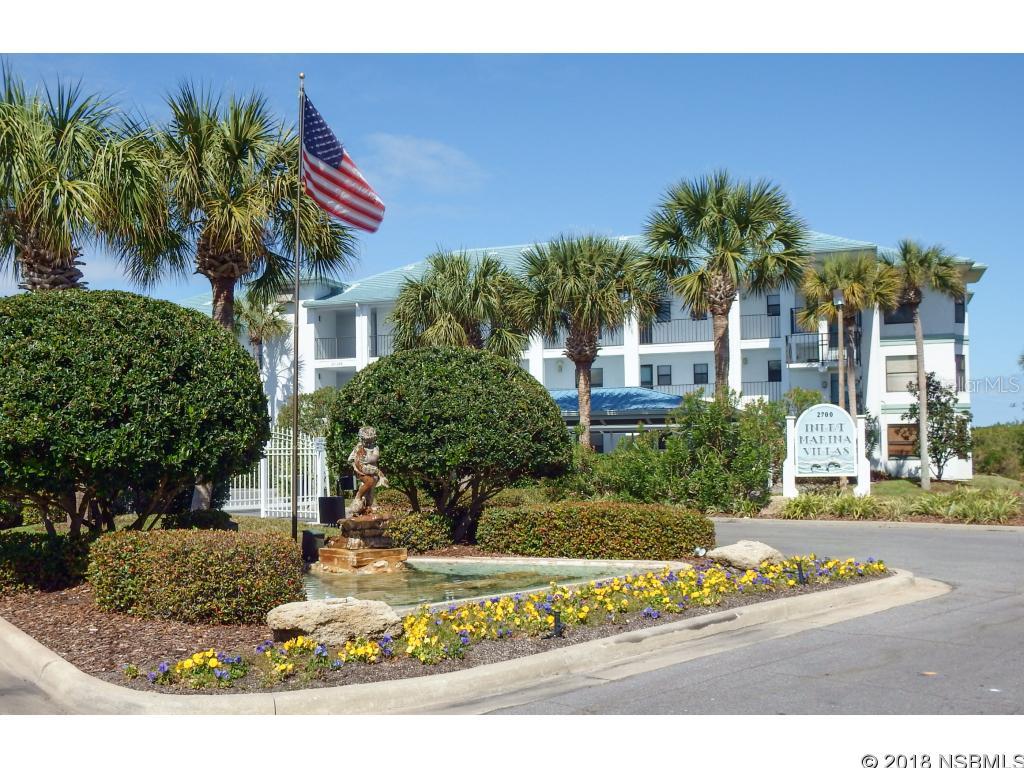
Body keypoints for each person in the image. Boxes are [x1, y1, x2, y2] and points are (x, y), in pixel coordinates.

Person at [347, 426, 388, 515]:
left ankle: (367, 508)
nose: (367, 442)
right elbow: (350, 459)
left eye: (369, 440)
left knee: (371, 492)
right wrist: (354, 466)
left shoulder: (375, 447)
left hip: (373, 473)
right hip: (362, 473)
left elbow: (376, 457)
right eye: (365, 440)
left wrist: (368, 459)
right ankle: (359, 503)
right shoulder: (358, 447)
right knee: (365, 487)